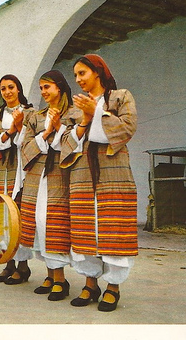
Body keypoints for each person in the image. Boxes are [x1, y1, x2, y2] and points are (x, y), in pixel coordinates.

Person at [60, 54, 138, 312]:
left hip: (112, 172)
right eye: (75, 76)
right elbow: (65, 145)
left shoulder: (120, 97)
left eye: (82, 73)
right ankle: (90, 282)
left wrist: (98, 113)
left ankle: (113, 286)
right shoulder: (75, 108)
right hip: (82, 174)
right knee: (85, 226)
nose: (78, 80)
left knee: (112, 227)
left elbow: (127, 128)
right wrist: (84, 120)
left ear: (97, 72)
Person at [20, 70, 80, 300]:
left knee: (53, 224)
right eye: (41, 88)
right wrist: (46, 132)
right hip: (37, 178)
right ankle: (51, 274)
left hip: (60, 178)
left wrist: (58, 129)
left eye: (48, 87)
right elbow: (25, 149)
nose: (43, 92)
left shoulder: (74, 113)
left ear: (60, 88)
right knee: (38, 223)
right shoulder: (35, 117)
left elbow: (76, 145)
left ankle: (60, 280)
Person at [0, 74, 34, 284]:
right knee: (1, 218)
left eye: (11, 87)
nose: (7, 92)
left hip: (20, 171)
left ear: (18, 89)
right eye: (3, 89)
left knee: (17, 218)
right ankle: (8, 264)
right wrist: (7, 134)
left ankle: (23, 267)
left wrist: (17, 131)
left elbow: (31, 139)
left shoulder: (30, 113)